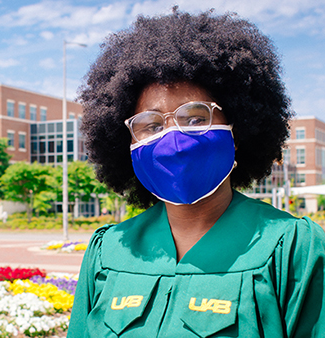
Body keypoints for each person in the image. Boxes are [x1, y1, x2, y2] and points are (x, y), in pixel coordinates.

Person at [67, 7, 325, 338]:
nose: (173, 139)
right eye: (150, 124)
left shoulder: (292, 248)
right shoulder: (108, 250)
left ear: (237, 125)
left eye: (195, 118)